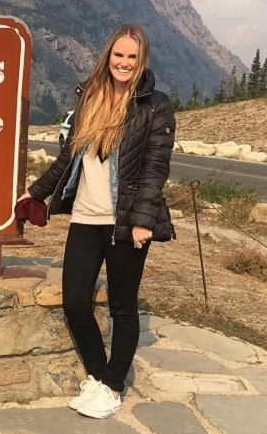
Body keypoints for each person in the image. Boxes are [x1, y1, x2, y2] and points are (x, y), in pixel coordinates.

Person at [16, 23, 176, 419]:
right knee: (75, 302)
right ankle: (99, 375)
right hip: (86, 219)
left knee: (123, 306)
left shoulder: (155, 106)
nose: (123, 63)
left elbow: (156, 169)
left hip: (127, 223)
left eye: (132, 58)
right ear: (108, 57)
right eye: (118, 55)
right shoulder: (90, 99)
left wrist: (142, 222)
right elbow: (67, 159)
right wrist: (35, 193)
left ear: (142, 62)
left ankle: (114, 386)